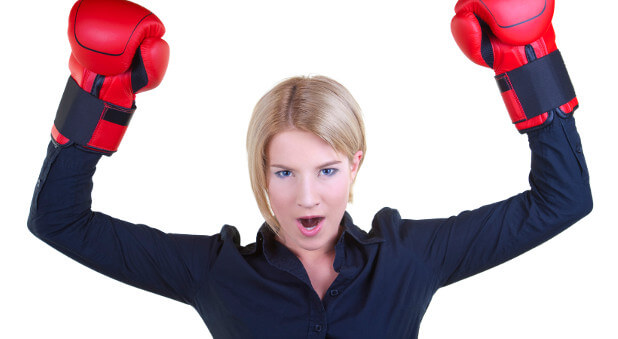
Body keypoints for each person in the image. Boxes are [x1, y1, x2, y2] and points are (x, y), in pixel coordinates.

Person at [28, 0, 592, 337]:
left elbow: (562, 200)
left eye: (326, 171)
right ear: (261, 172)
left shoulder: (410, 258)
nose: (307, 198)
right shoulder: (213, 271)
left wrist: (530, 60)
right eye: (284, 173)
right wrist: (96, 90)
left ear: (355, 164)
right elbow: (58, 220)